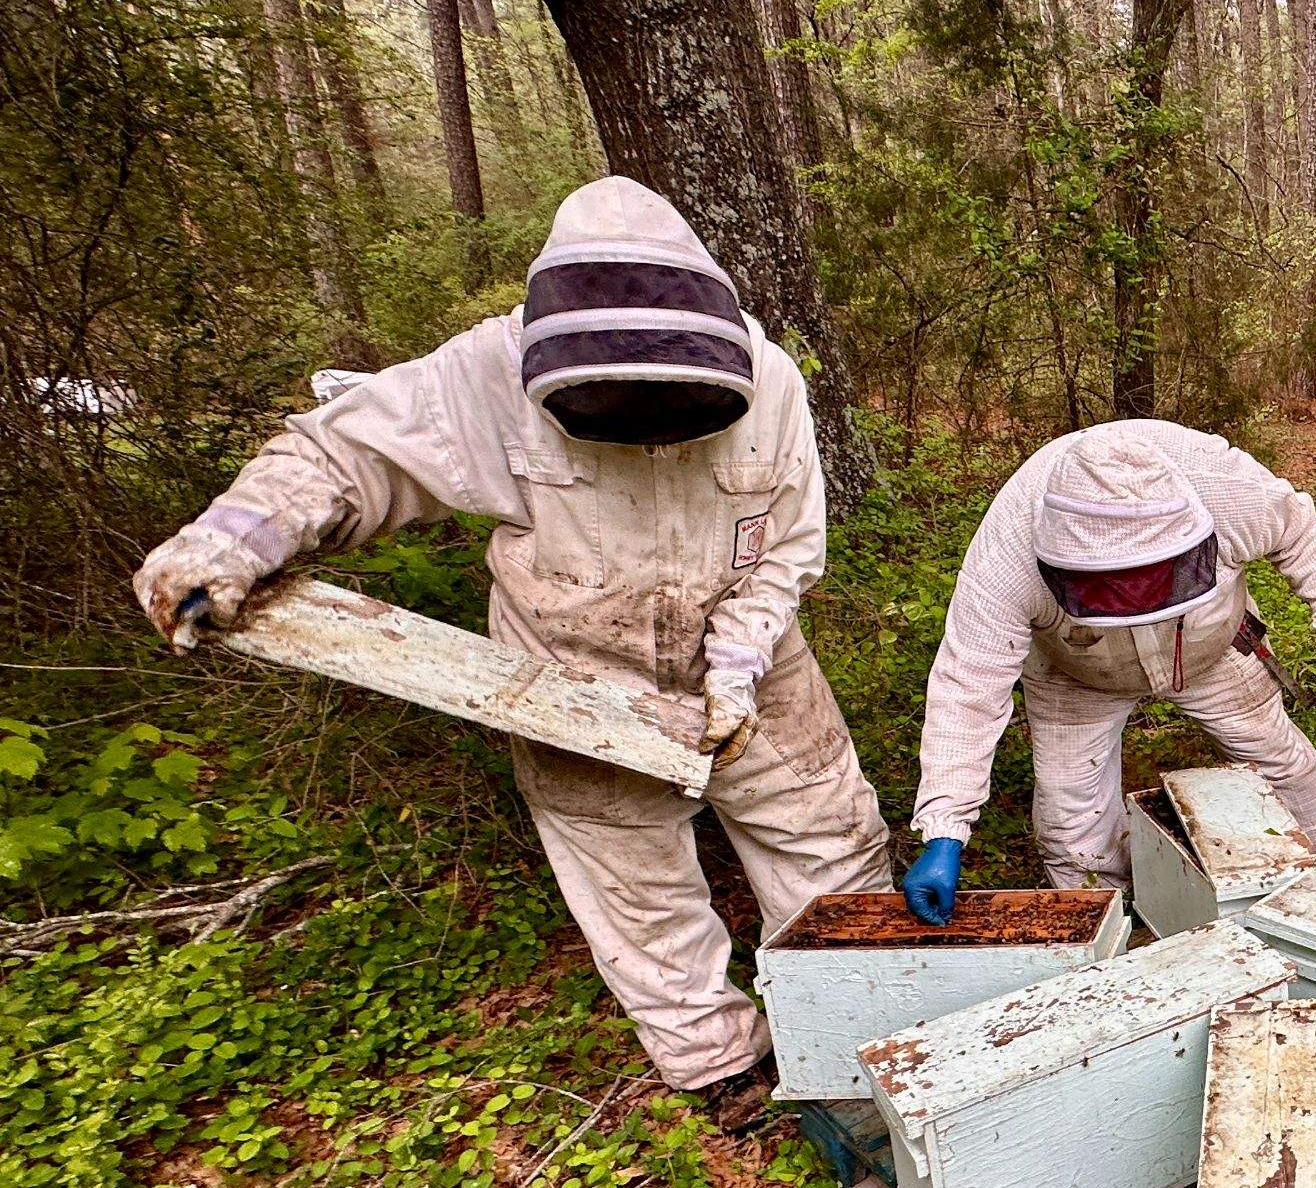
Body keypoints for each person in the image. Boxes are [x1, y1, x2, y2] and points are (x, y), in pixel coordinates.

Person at [131, 177, 892, 1128]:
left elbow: (786, 549)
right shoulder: (484, 372)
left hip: (754, 654)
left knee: (828, 835)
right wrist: (234, 538)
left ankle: (859, 1021)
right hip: (572, 673)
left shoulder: (772, 380)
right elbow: (344, 454)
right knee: (632, 878)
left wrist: (734, 666)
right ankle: (717, 1061)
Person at [902, 421, 1316, 918]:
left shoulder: (1224, 486)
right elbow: (968, 685)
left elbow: (1296, 527)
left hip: (1209, 648)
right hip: (1077, 669)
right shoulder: (1008, 552)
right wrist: (945, 826)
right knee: (1070, 823)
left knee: (1282, 762)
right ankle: (1110, 922)